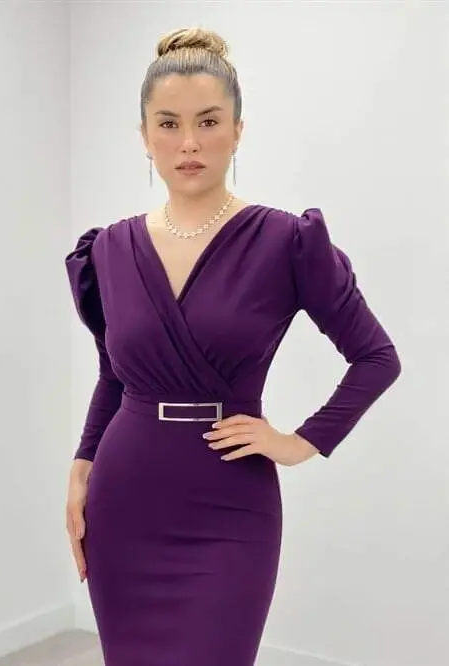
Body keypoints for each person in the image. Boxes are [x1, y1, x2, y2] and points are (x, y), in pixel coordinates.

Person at [64, 27, 401, 666]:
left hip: (230, 505)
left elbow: (377, 358)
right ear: (144, 136)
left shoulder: (285, 242)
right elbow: (115, 373)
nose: (188, 142)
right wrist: (82, 467)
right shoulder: (109, 249)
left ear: (238, 130)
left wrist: (299, 442)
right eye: (168, 124)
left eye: (209, 121)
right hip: (125, 497)